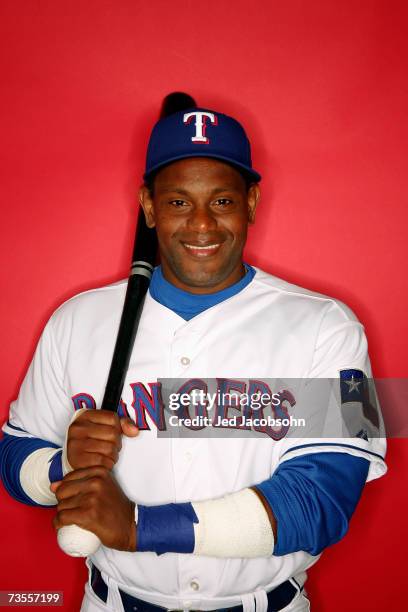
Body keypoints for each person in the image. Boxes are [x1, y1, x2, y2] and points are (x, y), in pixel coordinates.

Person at [0, 93, 386, 612]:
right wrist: (62, 466)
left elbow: (327, 498)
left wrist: (139, 526)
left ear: (250, 202)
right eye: (179, 201)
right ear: (148, 207)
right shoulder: (76, 320)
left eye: (222, 201)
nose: (202, 224)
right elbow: (12, 455)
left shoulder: (330, 325)